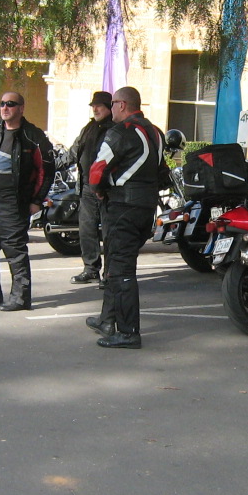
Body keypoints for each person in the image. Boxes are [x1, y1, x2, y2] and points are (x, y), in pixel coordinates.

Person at [85, 86, 166, 349]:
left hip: (123, 207)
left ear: (121, 105)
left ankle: (128, 332)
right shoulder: (155, 132)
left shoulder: (120, 132)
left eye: (113, 104)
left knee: (121, 269)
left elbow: (97, 170)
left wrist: (98, 189)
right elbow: (162, 171)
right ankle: (107, 320)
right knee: (116, 263)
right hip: (145, 207)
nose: (110, 109)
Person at [0, 91, 55, 311]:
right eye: (2, 104)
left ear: (21, 108)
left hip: (14, 202)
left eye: (10, 104)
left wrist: (37, 200)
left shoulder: (33, 136)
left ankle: (20, 298)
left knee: (14, 251)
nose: (5, 108)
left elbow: (46, 170)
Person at [66, 90, 115, 285]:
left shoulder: (115, 129)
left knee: (109, 232)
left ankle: (110, 274)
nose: (95, 109)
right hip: (87, 186)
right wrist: (53, 163)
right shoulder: (89, 128)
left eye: (99, 106)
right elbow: (74, 151)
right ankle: (91, 269)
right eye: (93, 106)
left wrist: (103, 184)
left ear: (109, 107)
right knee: (86, 229)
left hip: (107, 189)